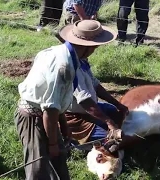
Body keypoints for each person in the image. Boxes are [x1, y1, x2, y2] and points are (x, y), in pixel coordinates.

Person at [15, 19, 118, 180]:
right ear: (89, 46)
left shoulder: (61, 54)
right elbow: (49, 109)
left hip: (48, 115)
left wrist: (63, 128)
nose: (96, 49)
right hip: (33, 118)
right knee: (38, 169)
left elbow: (57, 102)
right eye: (96, 46)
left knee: (59, 163)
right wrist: (53, 144)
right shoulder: (63, 67)